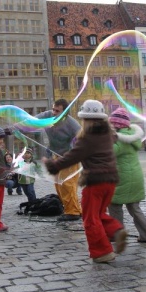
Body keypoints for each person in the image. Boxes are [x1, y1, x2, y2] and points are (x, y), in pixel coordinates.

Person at [43, 100, 127, 263]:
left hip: (95, 183)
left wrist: (51, 165)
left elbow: (71, 157)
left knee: (89, 219)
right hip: (110, 182)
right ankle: (116, 230)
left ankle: (103, 252)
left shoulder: (88, 138)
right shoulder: (108, 134)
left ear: (85, 119)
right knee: (99, 214)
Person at [108, 108, 146, 243]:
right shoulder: (131, 136)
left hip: (123, 178)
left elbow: (110, 152)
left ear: (116, 125)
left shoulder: (121, 139)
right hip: (135, 177)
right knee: (134, 208)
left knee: (114, 205)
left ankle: (117, 234)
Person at [35, 99, 82, 222]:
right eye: (53, 109)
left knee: (67, 184)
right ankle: (71, 208)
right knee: (59, 185)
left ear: (65, 112)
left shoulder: (73, 124)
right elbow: (31, 121)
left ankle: (73, 212)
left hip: (70, 157)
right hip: (56, 156)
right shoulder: (48, 116)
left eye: (58, 111)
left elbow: (82, 140)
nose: (54, 113)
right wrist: (15, 128)